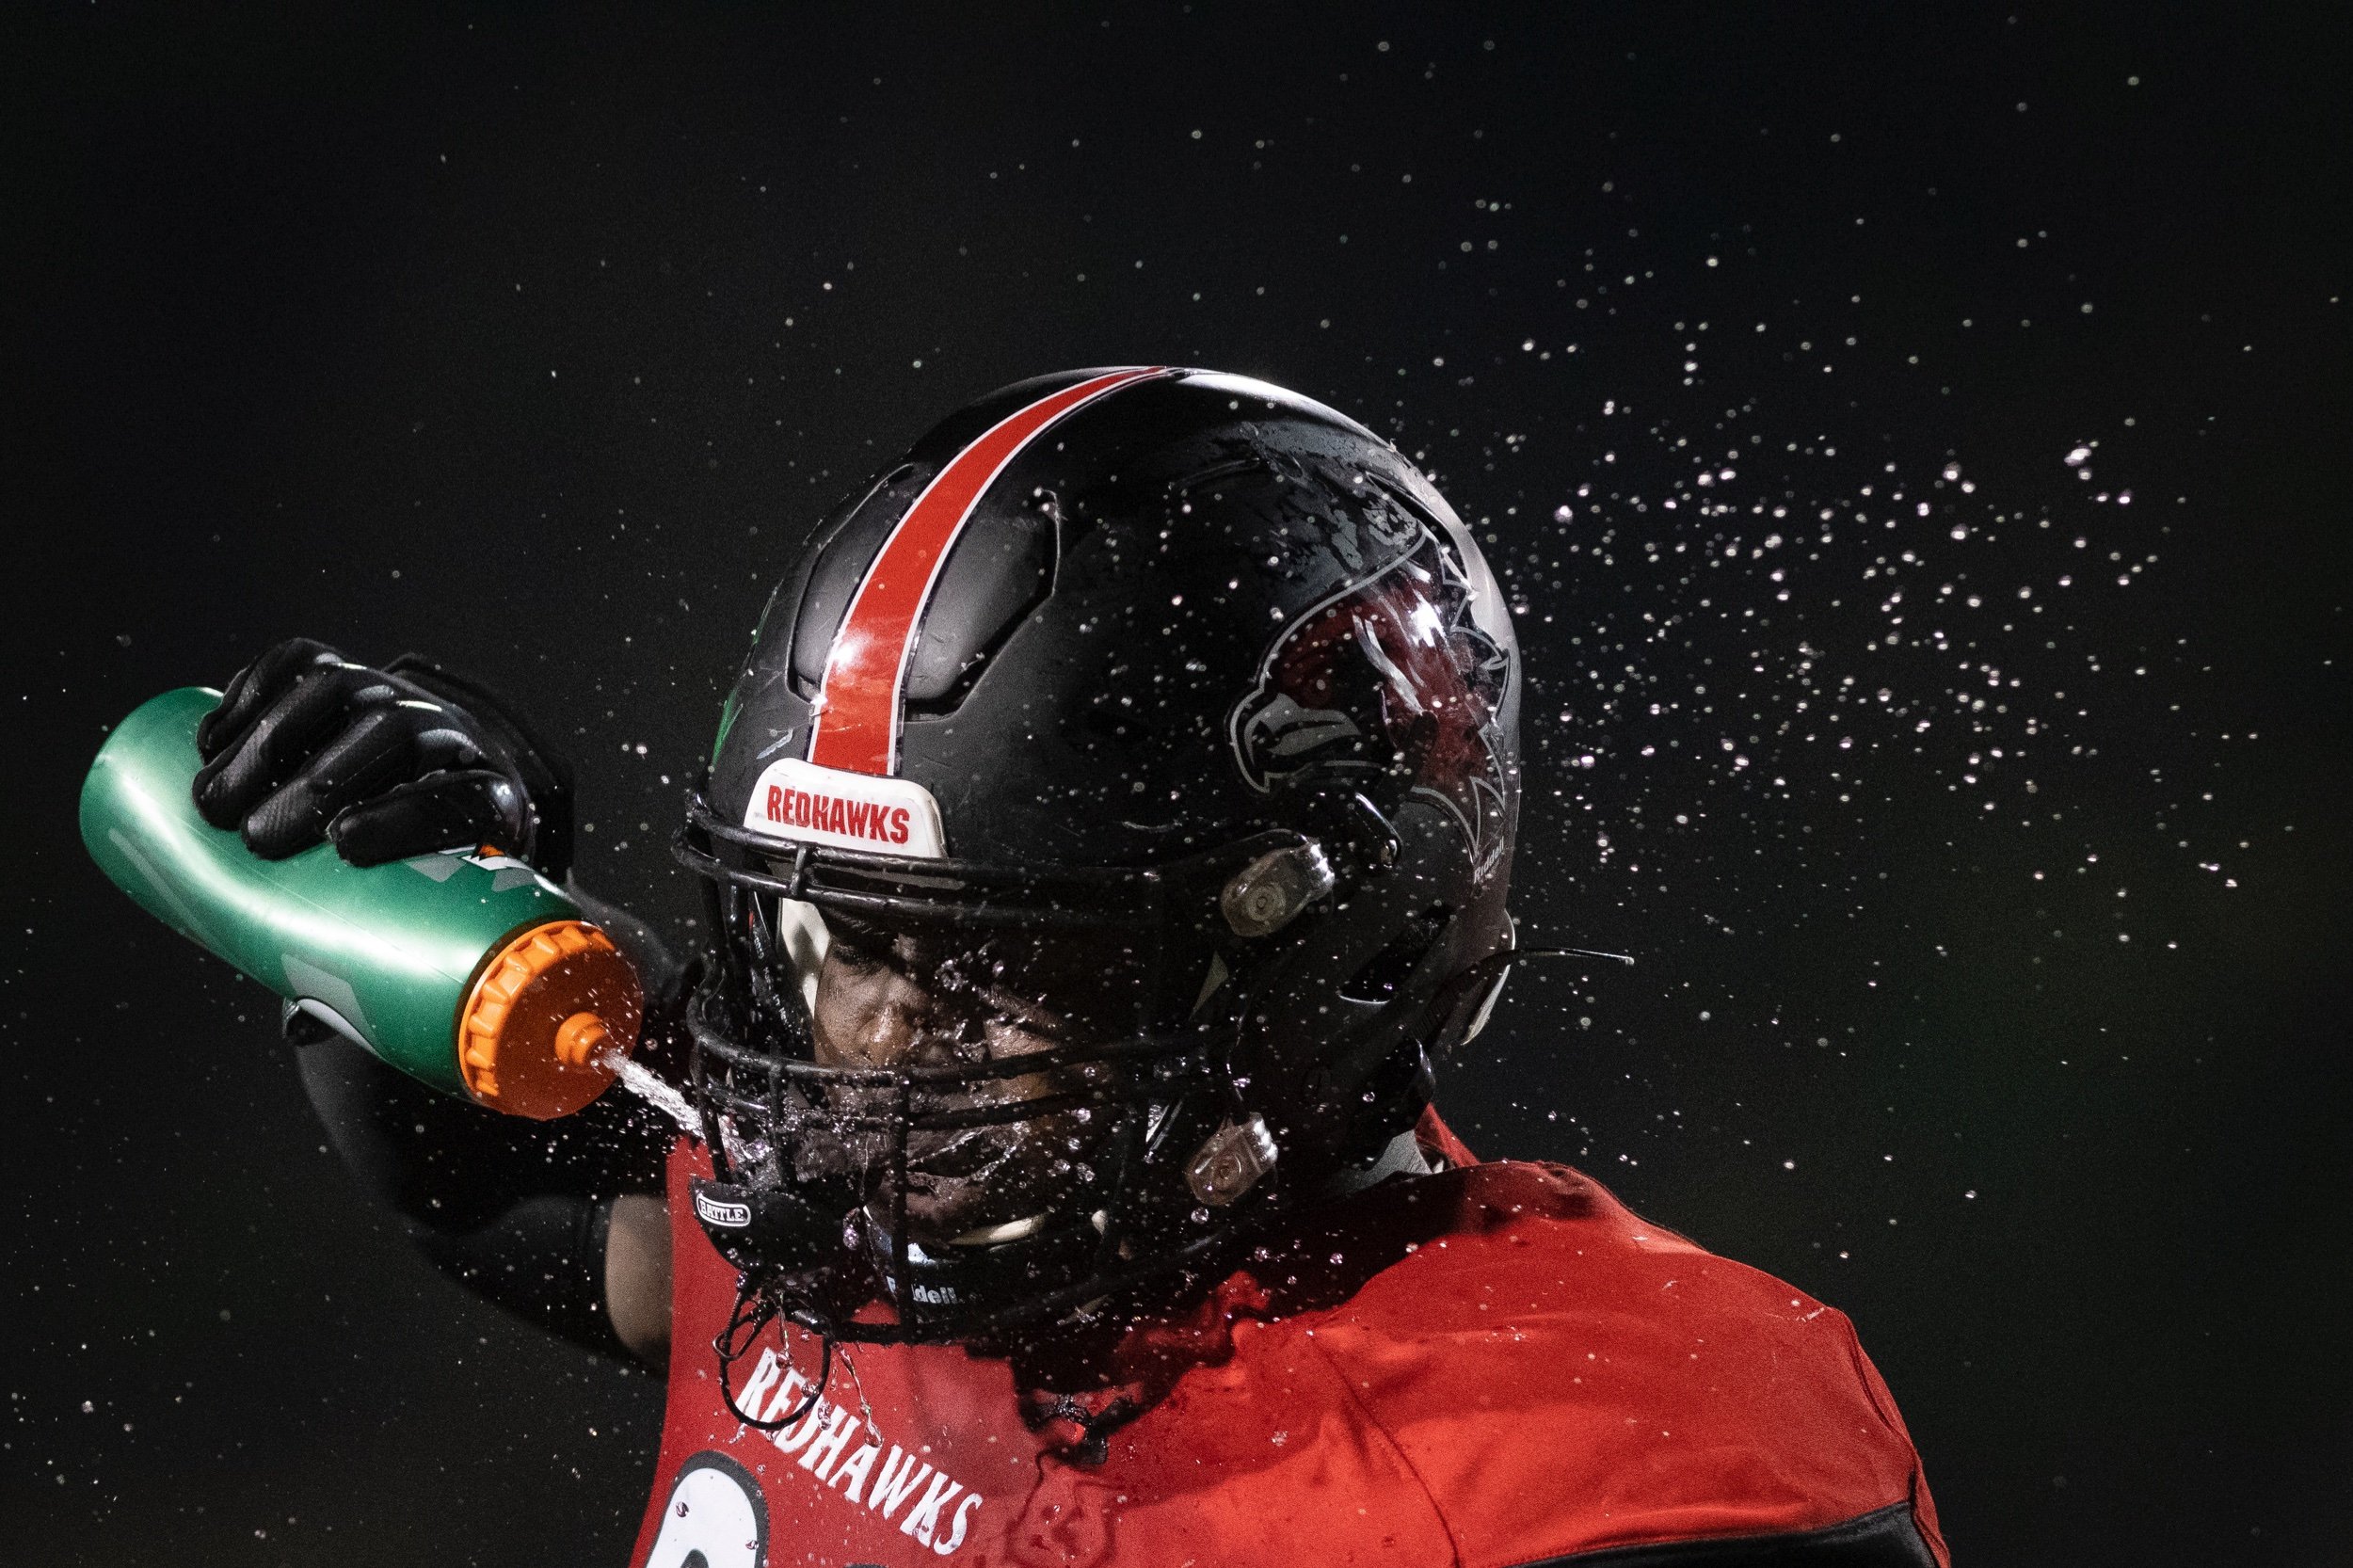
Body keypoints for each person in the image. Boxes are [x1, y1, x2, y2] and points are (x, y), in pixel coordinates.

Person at [192, 368, 1947, 1566]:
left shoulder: (1591, 1458)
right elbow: (497, 1183)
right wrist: (428, 867)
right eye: (827, 936)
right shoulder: (905, 1206)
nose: (866, 1051)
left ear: (1324, 950)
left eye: (991, 969)